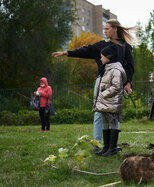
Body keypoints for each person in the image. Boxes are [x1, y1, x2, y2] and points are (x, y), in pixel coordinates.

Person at [52, 19, 137, 151]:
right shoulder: (101, 45)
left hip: (116, 83)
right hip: (101, 81)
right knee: (99, 113)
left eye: (107, 28)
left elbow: (130, 66)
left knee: (113, 113)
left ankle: (111, 146)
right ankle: (97, 144)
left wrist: (128, 83)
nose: (105, 31)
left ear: (115, 29)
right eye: (104, 29)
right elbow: (85, 50)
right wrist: (66, 53)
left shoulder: (125, 46)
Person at [92, 45, 127, 156]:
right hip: (105, 102)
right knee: (105, 123)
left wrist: (103, 95)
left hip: (112, 102)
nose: (100, 58)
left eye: (102, 56)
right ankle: (106, 147)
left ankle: (112, 148)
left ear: (109, 57)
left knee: (112, 123)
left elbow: (116, 86)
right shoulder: (106, 69)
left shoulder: (115, 70)